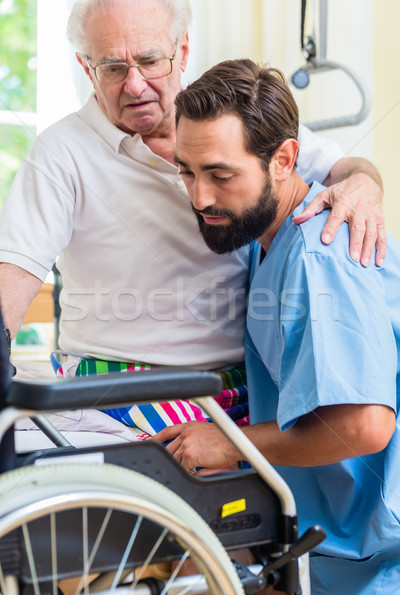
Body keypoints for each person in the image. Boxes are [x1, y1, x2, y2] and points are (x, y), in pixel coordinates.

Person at [0, 0, 385, 415]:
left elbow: (344, 167)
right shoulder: (61, 152)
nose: (134, 85)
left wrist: (364, 183)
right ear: (85, 65)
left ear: (182, 50)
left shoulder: (232, 122)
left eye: (149, 60)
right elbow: (11, 281)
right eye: (112, 68)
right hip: (115, 388)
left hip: (245, 385)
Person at [153, 59, 400, 595]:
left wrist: (230, 441)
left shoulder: (319, 251)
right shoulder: (268, 244)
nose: (199, 198)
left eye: (220, 175)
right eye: (187, 172)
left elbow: (364, 424)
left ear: (285, 159)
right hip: (336, 549)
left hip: (381, 562)